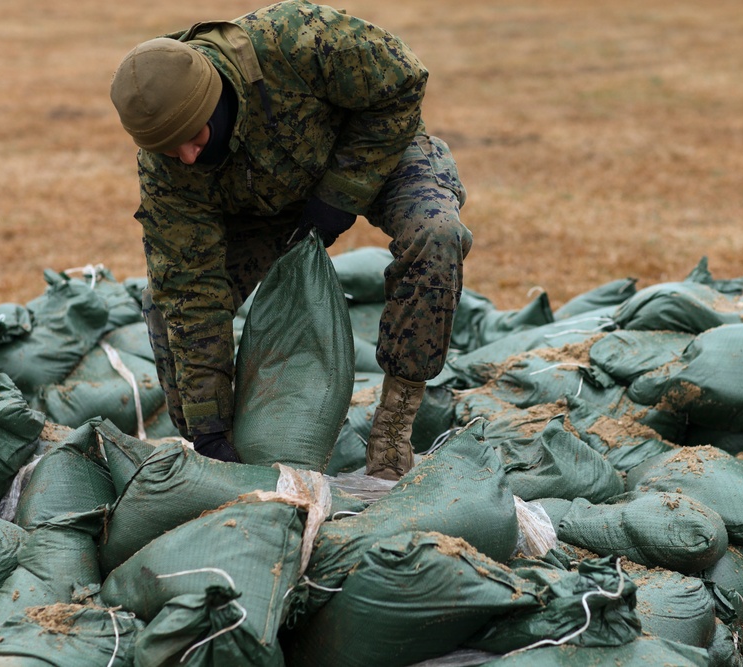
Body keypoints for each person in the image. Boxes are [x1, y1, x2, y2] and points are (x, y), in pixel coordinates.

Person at [109, 1, 472, 480]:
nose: (188, 158)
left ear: (212, 101)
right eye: (169, 150)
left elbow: (401, 85)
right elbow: (189, 288)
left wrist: (341, 196)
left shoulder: (295, 38)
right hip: (262, 204)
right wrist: (209, 428)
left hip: (368, 151)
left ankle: (394, 426)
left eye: (194, 138)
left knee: (437, 234)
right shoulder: (169, 168)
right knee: (163, 305)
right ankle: (220, 453)